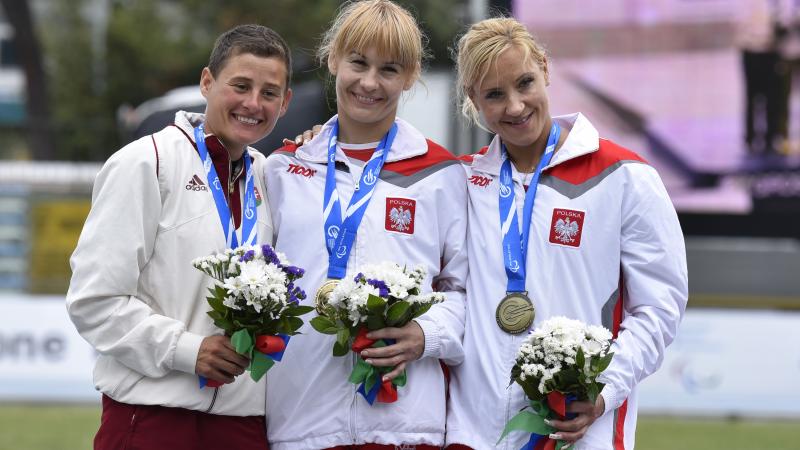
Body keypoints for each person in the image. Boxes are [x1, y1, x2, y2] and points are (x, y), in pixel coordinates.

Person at [446, 17, 688, 450]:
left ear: (545, 68)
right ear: (473, 98)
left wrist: (604, 388)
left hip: (577, 430)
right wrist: (319, 138)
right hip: (474, 434)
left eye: (525, 83)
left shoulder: (624, 177)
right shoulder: (462, 181)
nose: (516, 106)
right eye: (495, 95)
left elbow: (660, 307)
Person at [66, 24, 293, 450]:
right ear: (207, 82)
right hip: (150, 417)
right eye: (240, 86)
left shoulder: (272, 177)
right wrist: (187, 351)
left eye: (269, 93)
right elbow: (93, 300)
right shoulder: (145, 162)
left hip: (243, 423)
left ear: (285, 103)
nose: (252, 104)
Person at [262, 1, 468, 449]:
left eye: (389, 69)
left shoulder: (441, 174)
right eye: (358, 63)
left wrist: (425, 335)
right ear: (333, 58)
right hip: (301, 421)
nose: (370, 82)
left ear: (411, 76)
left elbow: (467, 290)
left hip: (407, 425)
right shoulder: (284, 168)